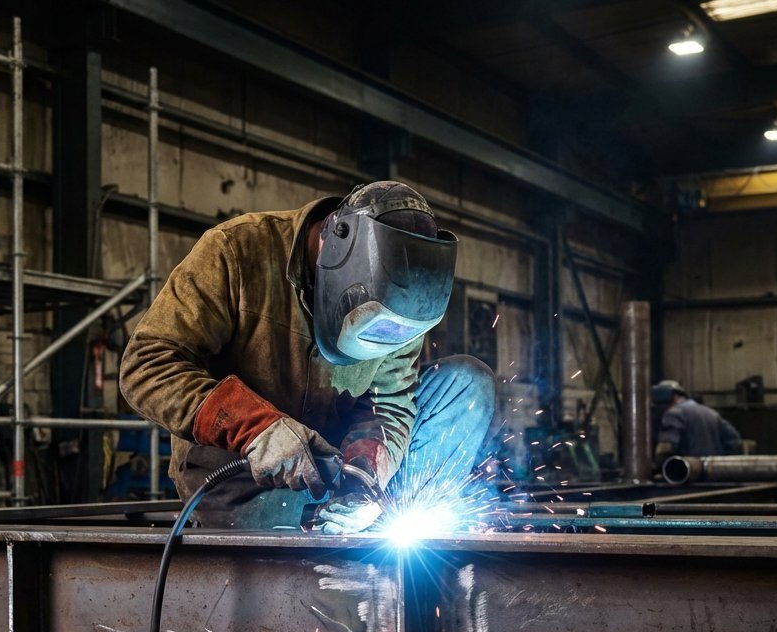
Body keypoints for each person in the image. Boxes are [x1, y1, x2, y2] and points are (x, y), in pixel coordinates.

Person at [119, 181, 495, 533]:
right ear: (332, 247)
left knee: (467, 385)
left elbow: (392, 401)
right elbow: (147, 364)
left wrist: (365, 468)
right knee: (290, 549)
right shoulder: (236, 250)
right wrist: (256, 429)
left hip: (336, 471)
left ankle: (376, 514)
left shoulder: (406, 299)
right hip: (240, 479)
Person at [652, 379, 742, 465]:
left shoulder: (673, 413)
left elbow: (666, 447)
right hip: (712, 474)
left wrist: (660, 465)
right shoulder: (711, 413)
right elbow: (734, 441)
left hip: (687, 474)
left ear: (674, 396)